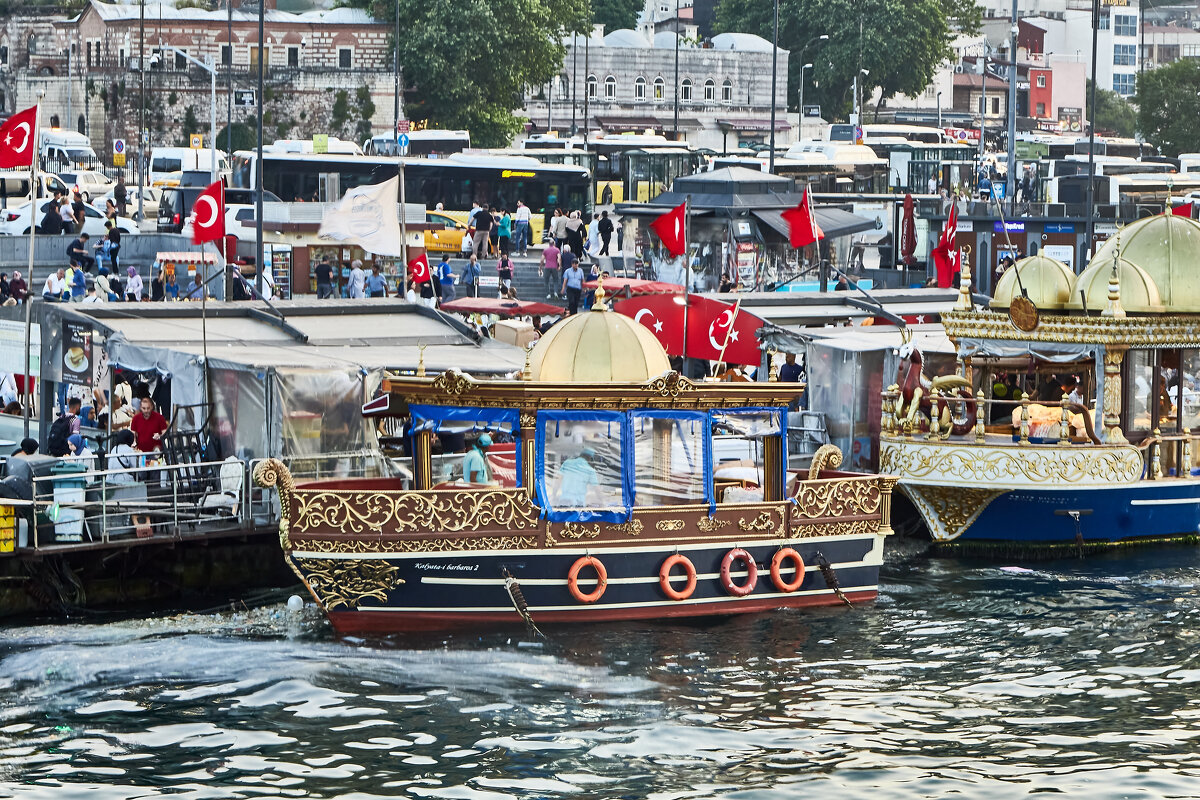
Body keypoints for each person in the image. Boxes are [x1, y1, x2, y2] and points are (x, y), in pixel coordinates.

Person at [560, 245, 584, 315]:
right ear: (571, 264)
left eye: (576, 264)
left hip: (578, 289)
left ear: (578, 264)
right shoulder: (568, 271)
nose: (575, 265)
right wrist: (563, 288)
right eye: (573, 264)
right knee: (571, 301)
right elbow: (565, 280)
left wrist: (584, 288)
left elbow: (582, 280)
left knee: (576, 302)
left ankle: (574, 313)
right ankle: (571, 312)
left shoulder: (580, 271)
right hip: (570, 288)